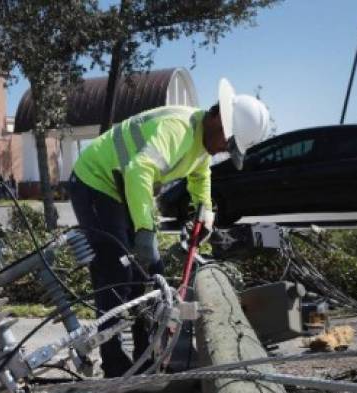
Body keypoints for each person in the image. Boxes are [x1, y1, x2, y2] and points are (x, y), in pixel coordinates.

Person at [68, 78, 270, 377]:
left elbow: (200, 176)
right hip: (95, 181)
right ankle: (114, 365)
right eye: (227, 144)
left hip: (123, 188)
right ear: (219, 121)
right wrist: (146, 232)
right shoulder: (178, 129)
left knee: (148, 277)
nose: (222, 152)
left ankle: (146, 357)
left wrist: (206, 214)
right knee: (116, 271)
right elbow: (140, 169)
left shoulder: (201, 144)